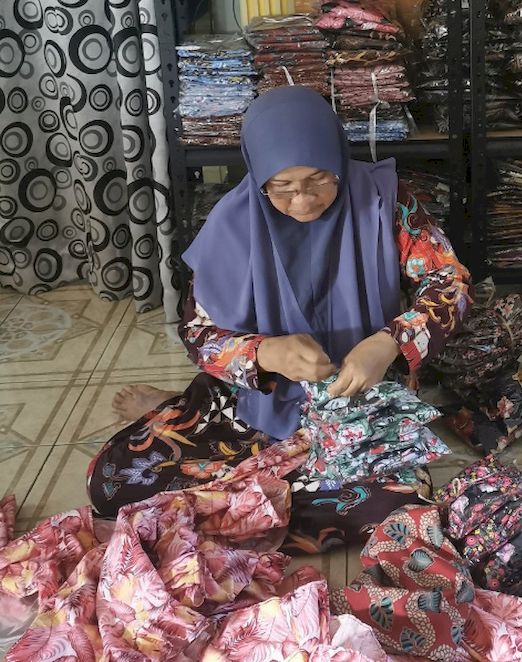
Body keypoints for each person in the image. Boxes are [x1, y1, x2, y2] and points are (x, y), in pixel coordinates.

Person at [86, 86, 471, 552]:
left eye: (319, 179)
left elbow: (447, 281)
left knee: (392, 508)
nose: (303, 201)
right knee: (113, 486)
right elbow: (198, 331)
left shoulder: (385, 200)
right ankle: (185, 406)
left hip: (363, 401)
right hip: (259, 399)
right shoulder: (233, 221)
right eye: (281, 187)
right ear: (257, 175)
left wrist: (387, 342)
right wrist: (264, 352)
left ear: (338, 158)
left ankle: (216, 480)